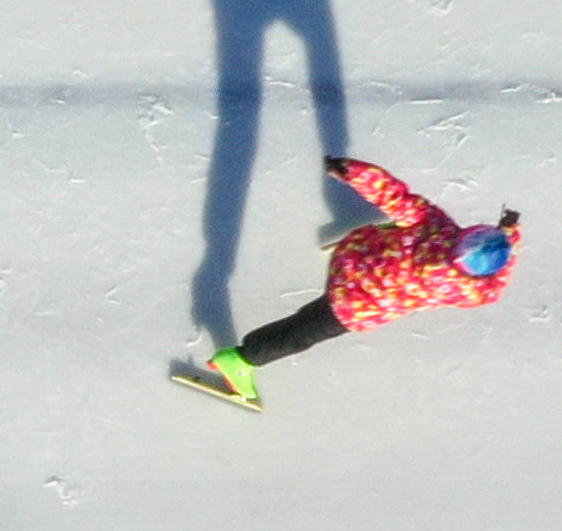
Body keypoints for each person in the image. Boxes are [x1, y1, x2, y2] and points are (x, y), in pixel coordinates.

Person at [188, 157, 517, 408]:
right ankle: (241, 360)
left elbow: (394, 195)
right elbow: (495, 288)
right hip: (356, 305)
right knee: (303, 331)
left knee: (405, 219)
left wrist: (351, 171)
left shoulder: (436, 224)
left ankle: (390, 234)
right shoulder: (468, 289)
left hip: (353, 258)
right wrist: (512, 236)